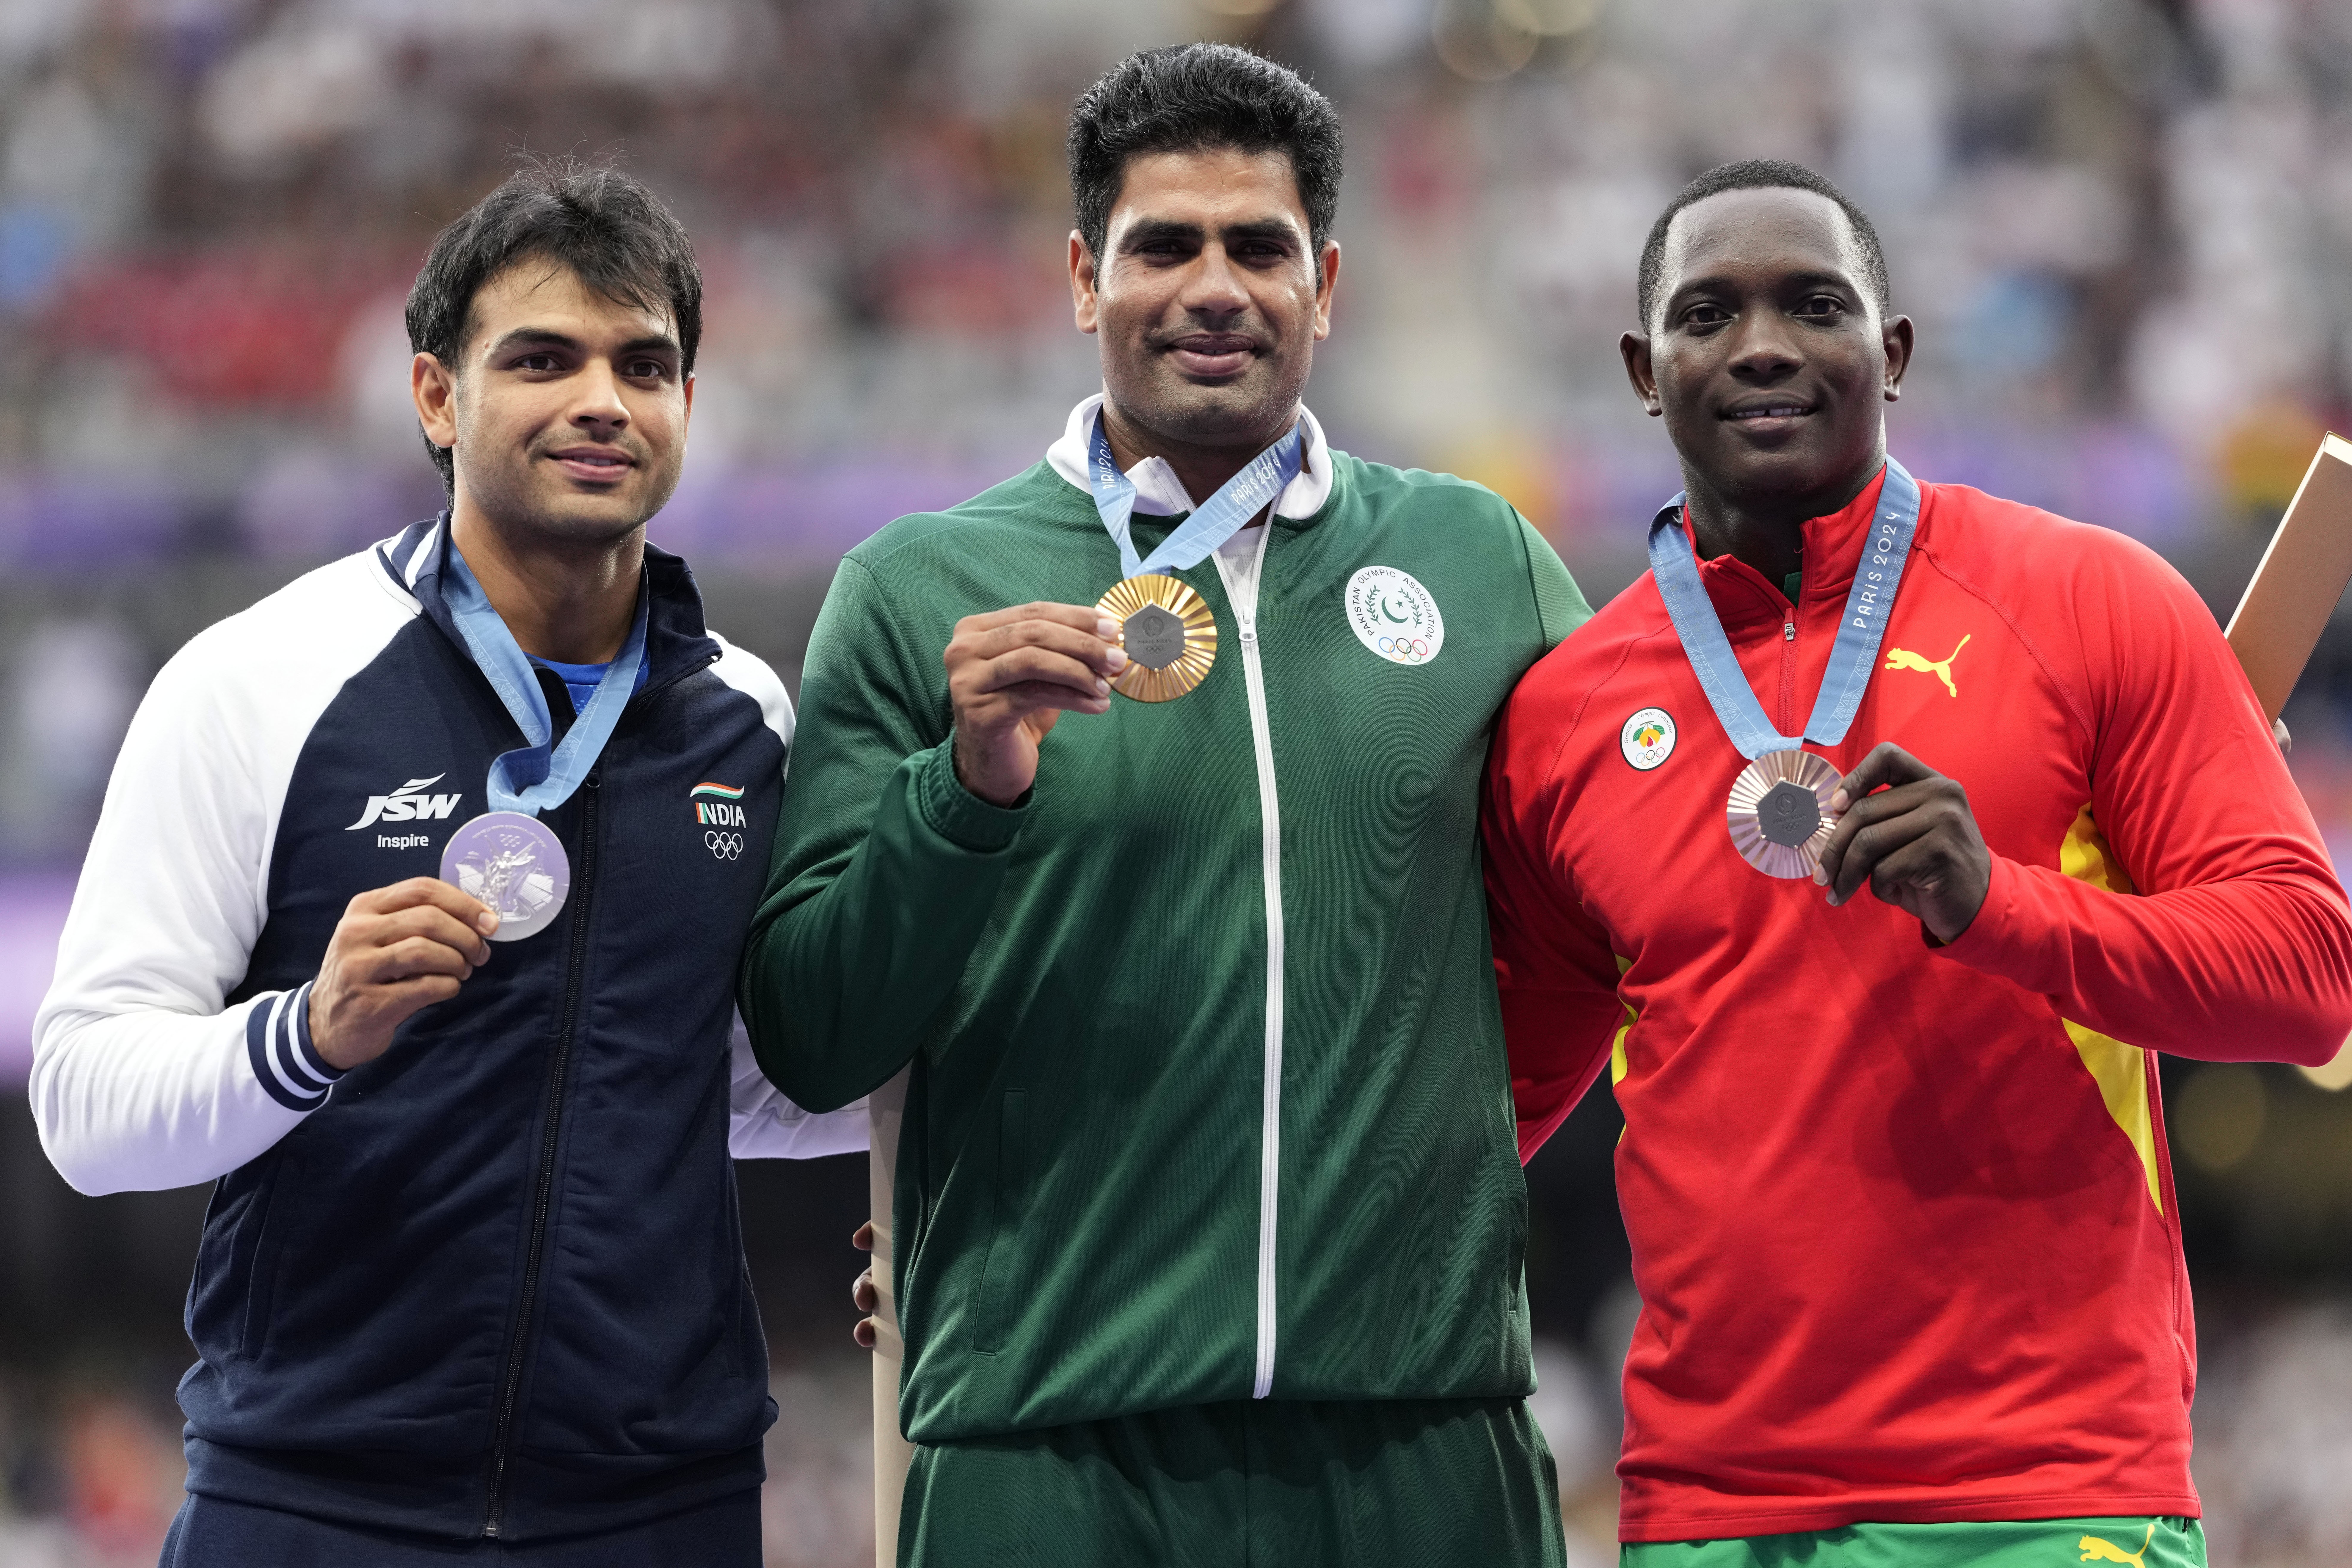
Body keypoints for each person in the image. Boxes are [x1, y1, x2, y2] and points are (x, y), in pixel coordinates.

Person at [740, 43, 1590, 1568]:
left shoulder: (1485, 565)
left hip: (1423, 1434)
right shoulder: (919, 586)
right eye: (1163, 247)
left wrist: (1445, 1152)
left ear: (1325, 282)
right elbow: (810, 1035)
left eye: (1259, 247)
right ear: (1083, 276)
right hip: (1048, 1443)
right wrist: (963, 790)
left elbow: (1612, 927)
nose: (1216, 287)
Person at [1482, 158, 2352, 1568]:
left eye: (1813, 303)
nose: (1762, 342)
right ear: (1645, 369)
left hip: (2050, 1489)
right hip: (1713, 1510)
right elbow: (1492, 1109)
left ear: (1891, 351)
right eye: (1709, 312)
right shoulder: (1565, 713)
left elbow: (2309, 978)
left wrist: (2001, 905)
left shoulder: (2092, 600)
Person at [30, 157, 864, 1565]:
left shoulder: (745, 715)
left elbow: (721, 1087)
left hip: (663, 1502)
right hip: (314, 1496)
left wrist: (942, 1117)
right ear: (436, 395)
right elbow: (82, 1104)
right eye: (542, 358)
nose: (601, 398)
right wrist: (304, 1036)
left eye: (643, 364)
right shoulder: (259, 679)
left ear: (686, 409)